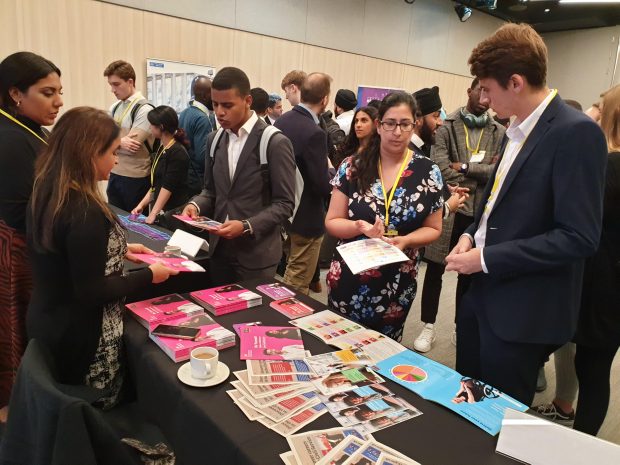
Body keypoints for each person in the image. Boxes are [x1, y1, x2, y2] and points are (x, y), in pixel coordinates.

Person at [445, 23, 607, 405]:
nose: (482, 99)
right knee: (465, 407)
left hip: (521, 312)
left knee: (500, 422)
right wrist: (472, 234)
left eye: (487, 88)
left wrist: (485, 257)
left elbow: (579, 236)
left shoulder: (576, 133)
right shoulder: (515, 128)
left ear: (515, 82)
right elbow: (500, 202)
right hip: (480, 296)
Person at [27, 107, 178, 408]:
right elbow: (91, 290)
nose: (117, 160)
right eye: (112, 152)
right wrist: (150, 276)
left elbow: (65, 254)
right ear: (88, 154)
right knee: (92, 414)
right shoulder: (84, 210)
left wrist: (121, 250)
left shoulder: (49, 192)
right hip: (83, 333)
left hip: (51, 319)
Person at [534, 85, 620, 436]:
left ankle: (576, 440)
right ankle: (582, 441)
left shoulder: (608, 165)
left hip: (593, 284)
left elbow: (574, 221)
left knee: (585, 365)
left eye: (601, 107)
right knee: (596, 368)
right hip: (611, 287)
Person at [325, 92, 444, 341]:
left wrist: (407, 240)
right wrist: (358, 226)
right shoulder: (352, 166)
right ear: (379, 126)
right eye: (390, 123)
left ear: (415, 125)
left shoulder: (428, 171)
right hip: (351, 274)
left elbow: (434, 228)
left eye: (405, 124)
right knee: (339, 346)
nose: (397, 132)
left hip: (398, 278)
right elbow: (332, 221)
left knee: (384, 352)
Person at [414, 78, 505, 353]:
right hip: (449, 206)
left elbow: (496, 173)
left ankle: (458, 325)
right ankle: (428, 325)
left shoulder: (499, 130)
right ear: (470, 91)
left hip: (478, 213)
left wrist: (464, 166)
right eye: (481, 90)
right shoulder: (447, 126)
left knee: (468, 273)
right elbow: (440, 168)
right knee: (435, 268)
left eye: (489, 92)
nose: (485, 96)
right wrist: (477, 171)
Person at [181, 67, 296, 284]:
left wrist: (246, 225)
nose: (219, 112)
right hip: (219, 251)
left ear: (247, 100)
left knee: (253, 317)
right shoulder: (214, 140)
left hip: (257, 254)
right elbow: (210, 191)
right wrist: (195, 205)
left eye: (227, 105)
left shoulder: (274, 142)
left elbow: (285, 204)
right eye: (215, 104)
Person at [0, 51, 63, 410]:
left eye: (59, 91)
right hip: (24, 249)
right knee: (18, 331)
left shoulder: (32, 130)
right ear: (15, 94)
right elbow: (23, 213)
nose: (58, 101)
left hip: (36, 242)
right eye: (47, 92)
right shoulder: (10, 139)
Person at [275, 73, 334, 295]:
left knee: (289, 268)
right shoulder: (314, 132)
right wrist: (331, 169)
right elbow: (322, 184)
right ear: (325, 99)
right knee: (297, 279)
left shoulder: (282, 121)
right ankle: (286, 323)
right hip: (306, 214)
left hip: (283, 209)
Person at [103, 60, 155, 212]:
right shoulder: (115, 107)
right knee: (115, 220)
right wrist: (119, 141)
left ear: (130, 82)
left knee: (135, 226)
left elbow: (132, 146)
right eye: (110, 85)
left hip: (136, 178)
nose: (113, 89)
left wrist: (111, 143)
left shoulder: (145, 109)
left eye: (116, 84)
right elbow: (100, 139)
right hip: (114, 173)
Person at [131, 106, 190, 224]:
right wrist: (141, 205)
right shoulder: (162, 147)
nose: (149, 128)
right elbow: (156, 184)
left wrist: (153, 213)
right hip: (162, 209)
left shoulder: (177, 152)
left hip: (174, 213)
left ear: (161, 127)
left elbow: (167, 187)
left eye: (152, 124)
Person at [178, 75, 215, 197]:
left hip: (185, 176)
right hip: (197, 180)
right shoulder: (203, 119)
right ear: (205, 96)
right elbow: (202, 157)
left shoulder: (184, 112)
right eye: (213, 93)